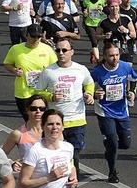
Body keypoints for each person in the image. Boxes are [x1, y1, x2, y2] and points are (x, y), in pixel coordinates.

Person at [37, 36, 95, 166]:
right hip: (55, 121)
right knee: (57, 156)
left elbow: (89, 83)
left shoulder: (80, 69)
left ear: (72, 52)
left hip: (77, 119)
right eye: (58, 50)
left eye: (64, 50)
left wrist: (89, 94)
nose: (61, 53)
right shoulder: (48, 71)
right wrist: (51, 96)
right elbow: (38, 92)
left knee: (74, 155)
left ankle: (72, 183)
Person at [89, 42, 137, 183]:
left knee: (126, 143)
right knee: (112, 142)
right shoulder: (98, 72)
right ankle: (112, 172)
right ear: (105, 56)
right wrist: (93, 93)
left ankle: (111, 146)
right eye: (111, 55)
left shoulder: (125, 67)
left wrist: (132, 92)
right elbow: (85, 85)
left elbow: (134, 79)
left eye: (117, 55)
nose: (115, 58)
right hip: (104, 111)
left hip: (122, 110)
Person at [3, 25, 57, 118]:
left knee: (43, 121)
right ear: (26, 35)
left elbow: (56, 67)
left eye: (39, 37)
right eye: (33, 36)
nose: (36, 39)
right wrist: (15, 70)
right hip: (24, 92)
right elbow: (7, 64)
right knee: (29, 120)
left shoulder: (47, 49)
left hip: (42, 92)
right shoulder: (16, 49)